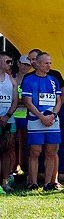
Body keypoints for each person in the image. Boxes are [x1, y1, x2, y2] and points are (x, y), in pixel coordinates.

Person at [20, 52, 63, 191]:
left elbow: (59, 101)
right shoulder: (29, 80)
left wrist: (53, 115)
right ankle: (33, 182)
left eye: (50, 63)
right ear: (36, 64)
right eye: (45, 63)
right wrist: (41, 117)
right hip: (35, 119)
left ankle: (48, 183)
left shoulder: (53, 80)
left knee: (51, 152)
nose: (48, 65)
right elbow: (27, 101)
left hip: (52, 120)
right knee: (35, 152)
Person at [0, 53, 15, 193]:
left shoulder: (12, 80)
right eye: (8, 61)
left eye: (12, 62)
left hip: (9, 120)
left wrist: (7, 115)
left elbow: (15, 100)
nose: (11, 64)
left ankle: (5, 181)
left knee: (6, 150)